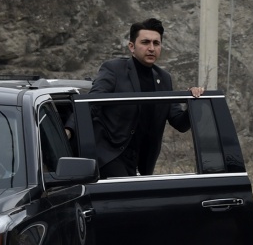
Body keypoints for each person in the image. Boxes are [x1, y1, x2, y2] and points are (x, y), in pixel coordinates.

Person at [87, 18, 203, 177]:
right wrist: (69, 130)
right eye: (145, 42)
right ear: (132, 47)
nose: (151, 48)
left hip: (143, 165)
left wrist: (193, 101)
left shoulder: (164, 78)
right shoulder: (114, 69)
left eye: (156, 43)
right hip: (111, 158)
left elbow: (180, 123)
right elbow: (91, 103)